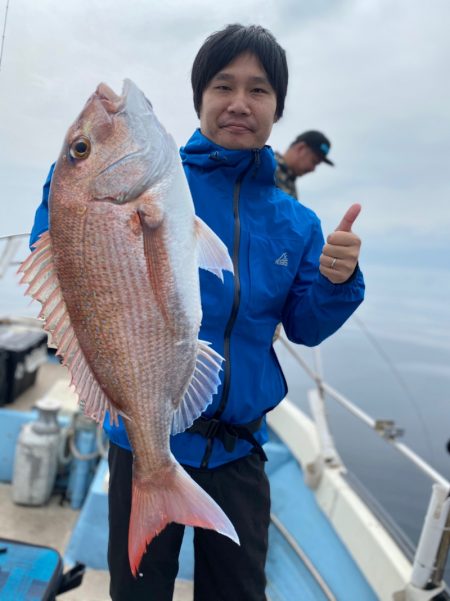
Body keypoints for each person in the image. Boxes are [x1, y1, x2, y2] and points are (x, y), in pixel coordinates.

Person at [30, 23, 364, 601]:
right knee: (138, 595)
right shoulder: (160, 183)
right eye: (222, 86)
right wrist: (69, 184)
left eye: (258, 90)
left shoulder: (297, 223)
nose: (239, 103)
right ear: (199, 99)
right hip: (143, 438)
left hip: (238, 450)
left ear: (278, 108)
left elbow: (306, 326)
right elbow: (70, 265)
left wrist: (338, 281)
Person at [275, 130, 334, 199]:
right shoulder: (265, 167)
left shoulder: (290, 184)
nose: (313, 169)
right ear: (301, 148)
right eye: (314, 161)